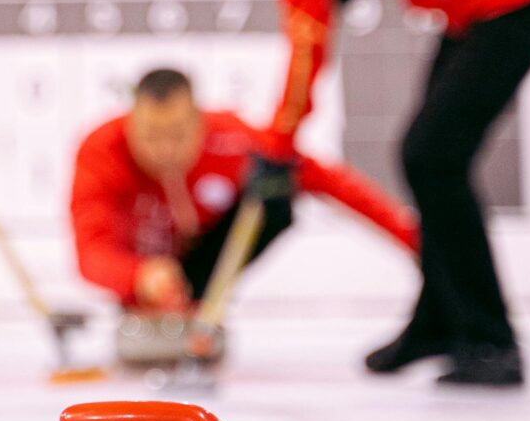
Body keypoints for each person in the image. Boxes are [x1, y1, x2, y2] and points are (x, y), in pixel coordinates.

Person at [129, 0, 530, 387]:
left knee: (432, 159)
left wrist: (280, 140)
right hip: (471, 14)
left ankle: (490, 341)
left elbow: (307, 33)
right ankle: (440, 321)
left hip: (509, 9)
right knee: (428, 160)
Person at [70, 68, 417, 313]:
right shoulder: (101, 149)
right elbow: (90, 252)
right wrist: (139, 276)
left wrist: (415, 239)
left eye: (176, 136)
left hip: (203, 263)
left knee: (275, 191)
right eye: (150, 136)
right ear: (130, 122)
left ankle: (198, 301)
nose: (163, 150)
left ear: (199, 122)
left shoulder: (231, 138)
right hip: (138, 272)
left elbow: (329, 181)